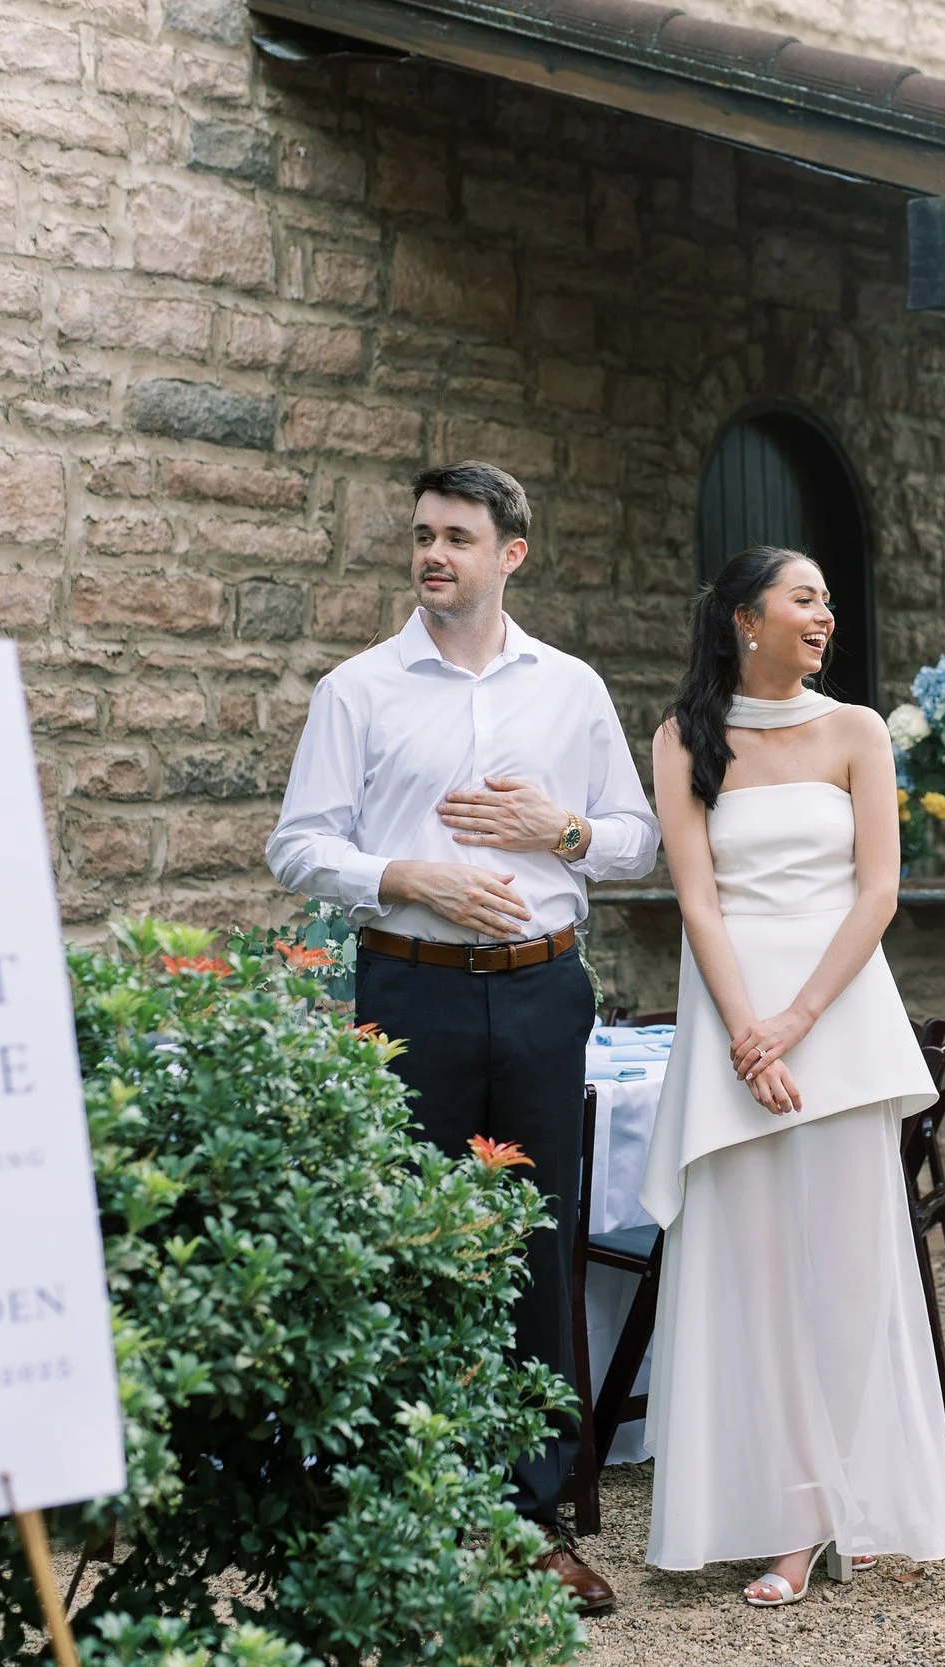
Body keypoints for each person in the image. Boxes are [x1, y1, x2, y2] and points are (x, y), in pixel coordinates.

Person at [264, 461, 658, 1615]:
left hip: (543, 994)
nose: (434, 554)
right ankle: (411, 1505)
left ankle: (533, 1519)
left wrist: (563, 826)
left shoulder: (572, 690)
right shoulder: (359, 689)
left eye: (458, 537)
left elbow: (632, 841)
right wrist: (405, 875)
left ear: (510, 554)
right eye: (424, 535)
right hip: (412, 990)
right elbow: (298, 844)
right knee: (411, 1242)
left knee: (535, 1245)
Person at [639, 546, 945, 1605]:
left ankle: (843, 1500)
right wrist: (744, 1033)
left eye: (827, 598)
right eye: (804, 598)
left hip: (836, 1015)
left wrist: (794, 1022)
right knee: (754, 1276)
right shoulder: (683, 735)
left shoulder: (858, 730)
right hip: (734, 1018)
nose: (824, 614)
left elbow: (877, 892)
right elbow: (697, 899)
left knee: (849, 1271)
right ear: (744, 616)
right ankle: (779, 1513)